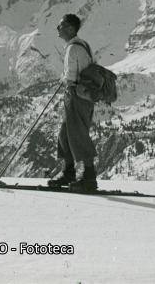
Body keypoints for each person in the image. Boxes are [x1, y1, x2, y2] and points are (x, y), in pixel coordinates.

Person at [46, 13, 99, 191]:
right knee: (65, 134)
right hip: (82, 96)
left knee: (77, 134)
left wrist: (64, 81)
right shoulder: (83, 45)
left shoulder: (73, 48)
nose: (58, 29)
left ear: (70, 28)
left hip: (77, 95)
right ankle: (69, 171)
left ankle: (88, 176)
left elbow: (70, 76)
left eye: (60, 26)